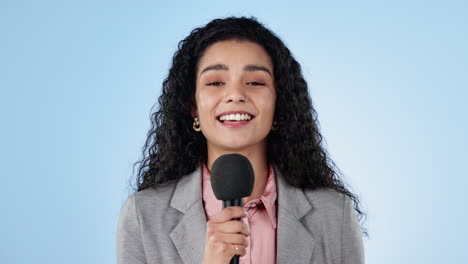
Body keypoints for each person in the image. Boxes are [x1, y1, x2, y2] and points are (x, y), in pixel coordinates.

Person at [117, 16, 366, 264]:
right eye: (215, 82)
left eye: (255, 82)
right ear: (193, 106)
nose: (235, 95)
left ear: (279, 105)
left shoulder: (334, 214)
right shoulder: (144, 215)